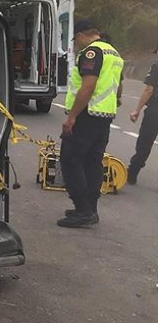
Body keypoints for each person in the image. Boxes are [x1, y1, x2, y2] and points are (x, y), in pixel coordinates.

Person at [58, 20, 124, 228]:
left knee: (70, 159)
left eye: (75, 40)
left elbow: (88, 86)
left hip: (87, 114)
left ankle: (82, 210)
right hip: (104, 116)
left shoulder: (91, 52)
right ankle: (90, 209)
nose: (76, 44)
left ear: (80, 35)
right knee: (92, 162)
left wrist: (72, 117)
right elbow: (119, 86)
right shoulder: (114, 53)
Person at [127, 59, 158, 184]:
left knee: (145, 143)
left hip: (155, 110)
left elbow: (149, 90)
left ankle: (133, 173)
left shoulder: (156, 65)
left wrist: (137, 109)